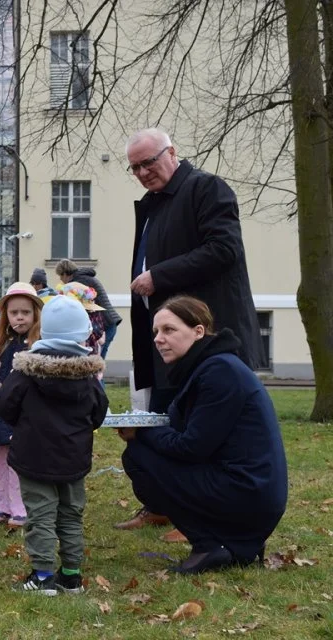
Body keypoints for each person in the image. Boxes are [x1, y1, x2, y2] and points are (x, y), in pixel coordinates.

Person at [120, 127, 265, 531]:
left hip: (207, 341)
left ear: (173, 152)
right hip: (168, 339)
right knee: (165, 418)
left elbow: (224, 249)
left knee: (200, 429)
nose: (144, 172)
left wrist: (158, 277)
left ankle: (196, 510)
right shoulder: (155, 203)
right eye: (135, 167)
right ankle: (162, 506)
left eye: (149, 161)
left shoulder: (206, 189)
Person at [117, 297, 287, 573]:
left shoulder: (219, 371)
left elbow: (192, 447)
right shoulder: (208, 365)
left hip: (249, 494)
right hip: (249, 488)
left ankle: (212, 544)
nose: (159, 339)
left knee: (139, 456)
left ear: (198, 331)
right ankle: (228, 542)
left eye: (169, 330)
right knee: (143, 453)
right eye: (156, 332)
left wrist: (142, 434)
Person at [0, 296, 109, 595]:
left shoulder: (26, 373)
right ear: (84, 334)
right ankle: (71, 576)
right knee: (71, 515)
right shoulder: (88, 378)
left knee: (40, 516)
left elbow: (5, 405)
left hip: (33, 458)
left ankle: (43, 575)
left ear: (43, 331)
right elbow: (99, 413)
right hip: (73, 460)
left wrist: (24, 423)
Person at [0, 283, 44, 528]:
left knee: (19, 464)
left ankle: (19, 508)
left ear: (35, 315)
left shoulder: (37, 348)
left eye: (25, 312)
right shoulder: (3, 347)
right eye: (14, 312)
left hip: (23, 417)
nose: (19, 317)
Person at [54, 260, 122, 359]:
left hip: (103, 325)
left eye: (60, 275)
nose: (60, 279)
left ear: (65, 273)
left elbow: (76, 307)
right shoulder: (85, 278)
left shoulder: (78, 282)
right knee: (97, 361)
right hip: (108, 323)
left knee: (95, 362)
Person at [57, 282, 107, 357]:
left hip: (65, 356)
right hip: (90, 357)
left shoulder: (59, 316)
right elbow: (101, 339)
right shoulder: (93, 315)